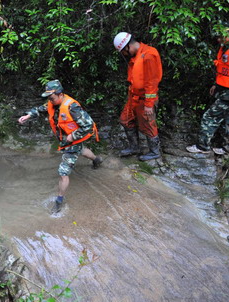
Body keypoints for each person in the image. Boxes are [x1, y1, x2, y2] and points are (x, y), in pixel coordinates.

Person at [18, 80, 102, 213]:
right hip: (68, 140)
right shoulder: (53, 103)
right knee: (82, 150)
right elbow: (41, 109)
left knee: (63, 173)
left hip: (73, 140)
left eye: (52, 98)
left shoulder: (72, 107)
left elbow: (88, 125)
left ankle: (59, 201)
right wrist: (27, 115)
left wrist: (73, 136)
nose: (50, 101)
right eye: (49, 98)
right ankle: (96, 160)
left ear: (60, 94)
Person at [186, 25, 229, 155]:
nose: (218, 39)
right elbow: (224, 71)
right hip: (224, 90)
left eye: (220, 36)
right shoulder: (226, 48)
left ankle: (202, 146)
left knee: (209, 117)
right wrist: (216, 85)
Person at [113, 32, 163, 161]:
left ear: (127, 47)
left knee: (148, 124)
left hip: (144, 98)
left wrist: (149, 104)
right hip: (133, 97)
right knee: (125, 120)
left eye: (123, 52)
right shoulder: (137, 56)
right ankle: (134, 147)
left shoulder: (149, 55)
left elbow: (152, 82)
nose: (124, 55)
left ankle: (154, 151)